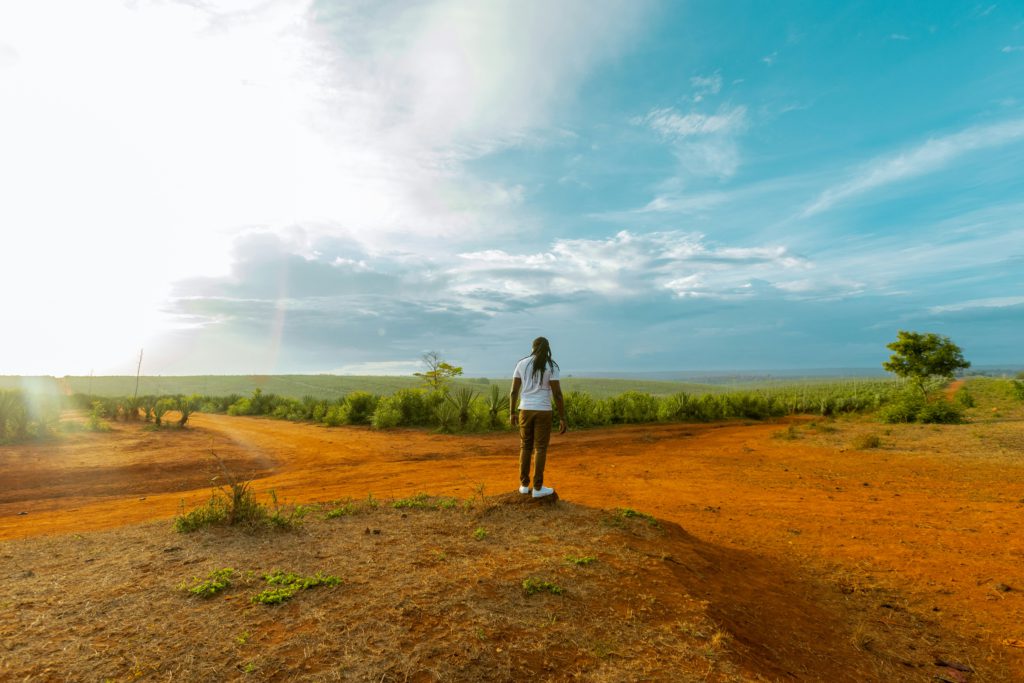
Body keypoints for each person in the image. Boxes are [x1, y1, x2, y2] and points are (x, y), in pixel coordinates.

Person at [510, 337, 567, 498]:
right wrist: (562, 417)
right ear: (548, 348)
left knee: (525, 447)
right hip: (543, 411)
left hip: (525, 410)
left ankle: (523, 485)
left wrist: (512, 412)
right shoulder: (552, 366)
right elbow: (557, 394)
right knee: (540, 448)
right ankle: (538, 488)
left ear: (533, 347)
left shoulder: (521, 363)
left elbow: (514, 391)